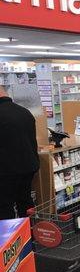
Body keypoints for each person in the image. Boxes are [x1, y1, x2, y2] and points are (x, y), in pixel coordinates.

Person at [0, 86, 39, 219]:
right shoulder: (24, 112)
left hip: (6, 171)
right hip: (28, 167)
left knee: (5, 206)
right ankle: (30, 234)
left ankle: (11, 238)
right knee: (25, 202)